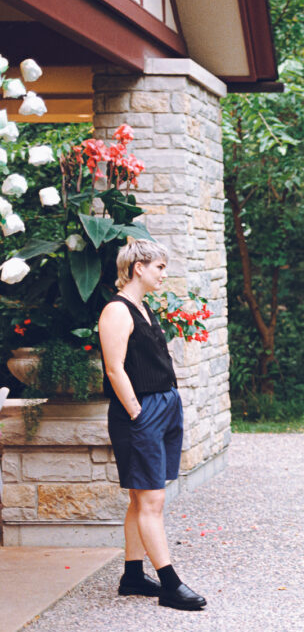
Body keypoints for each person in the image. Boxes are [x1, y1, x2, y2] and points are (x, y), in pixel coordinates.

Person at [98, 239, 206, 611]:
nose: (164, 274)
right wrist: (137, 414)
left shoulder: (143, 309)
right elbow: (114, 369)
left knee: (140, 496)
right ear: (137, 267)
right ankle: (171, 584)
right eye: (159, 267)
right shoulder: (117, 311)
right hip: (140, 411)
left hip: (161, 405)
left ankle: (132, 575)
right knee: (151, 499)